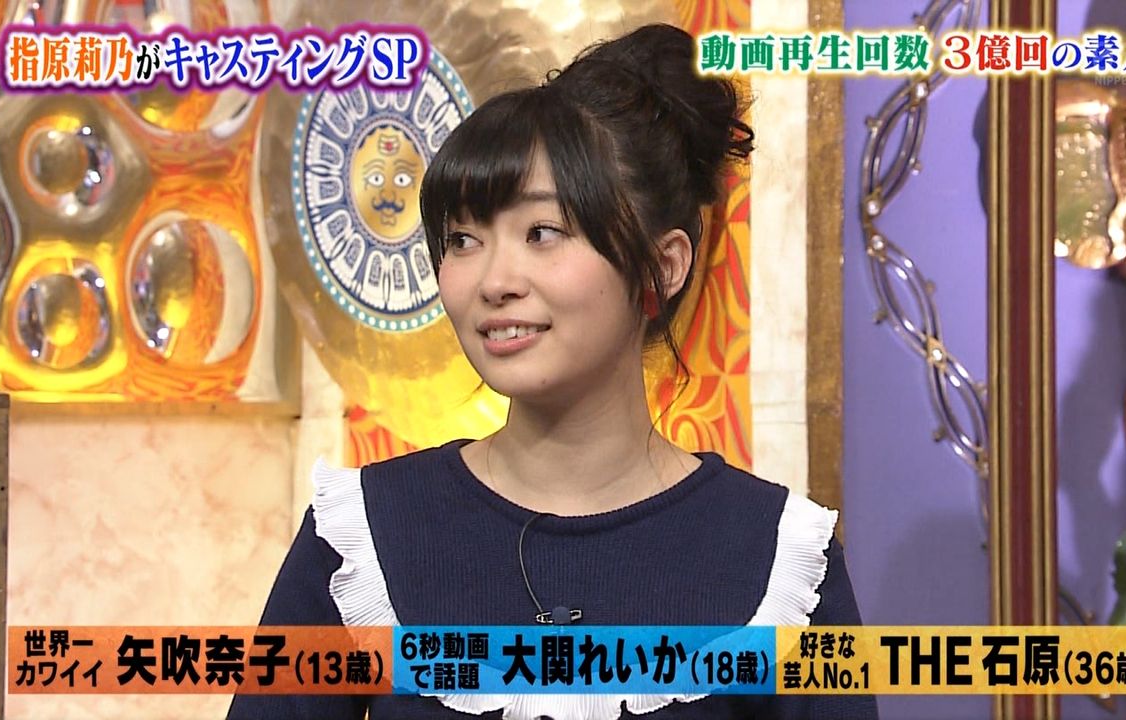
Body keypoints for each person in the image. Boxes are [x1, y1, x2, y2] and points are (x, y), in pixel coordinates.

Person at [228, 23, 877, 720]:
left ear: (663, 266)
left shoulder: (781, 560)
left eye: (542, 233)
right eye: (462, 239)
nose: (494, 281)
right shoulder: (360, 537)